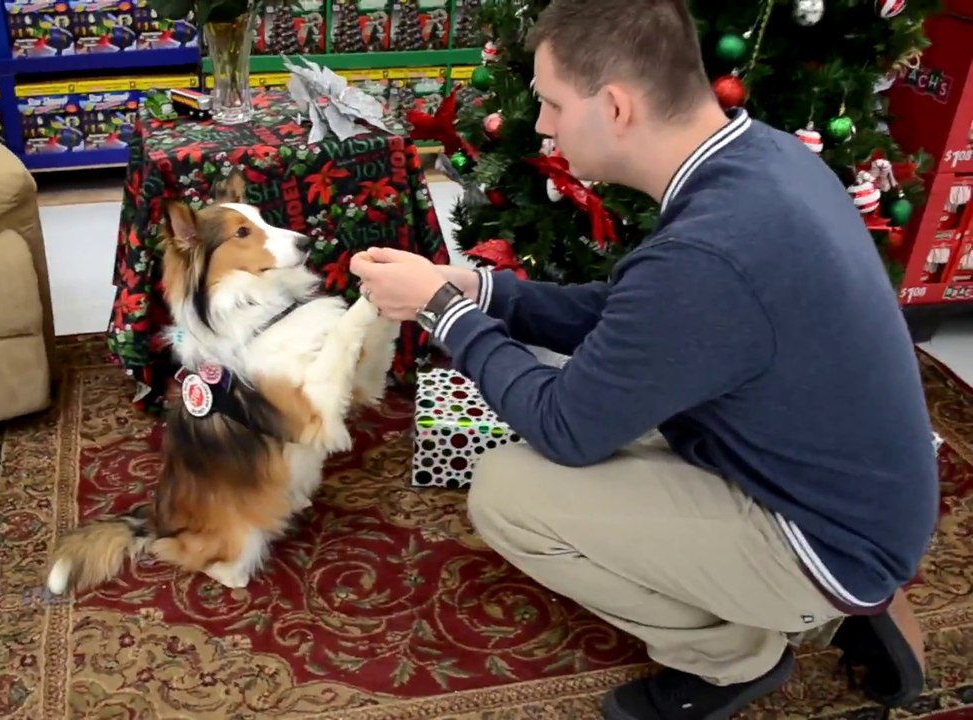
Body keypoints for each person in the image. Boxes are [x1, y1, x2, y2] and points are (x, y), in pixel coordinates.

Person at [349, 0, 939, 718]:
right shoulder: (762, 156)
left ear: (617, 106)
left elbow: (565, 429)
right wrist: (478, 288)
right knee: (606, 404)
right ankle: (821, 597)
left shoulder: (710, 254)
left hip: (826, 534)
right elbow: (636, 317)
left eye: (553, 103)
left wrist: (445, 313)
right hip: (849, 484)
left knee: (509, 490)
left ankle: (737, 659)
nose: (542, 126)